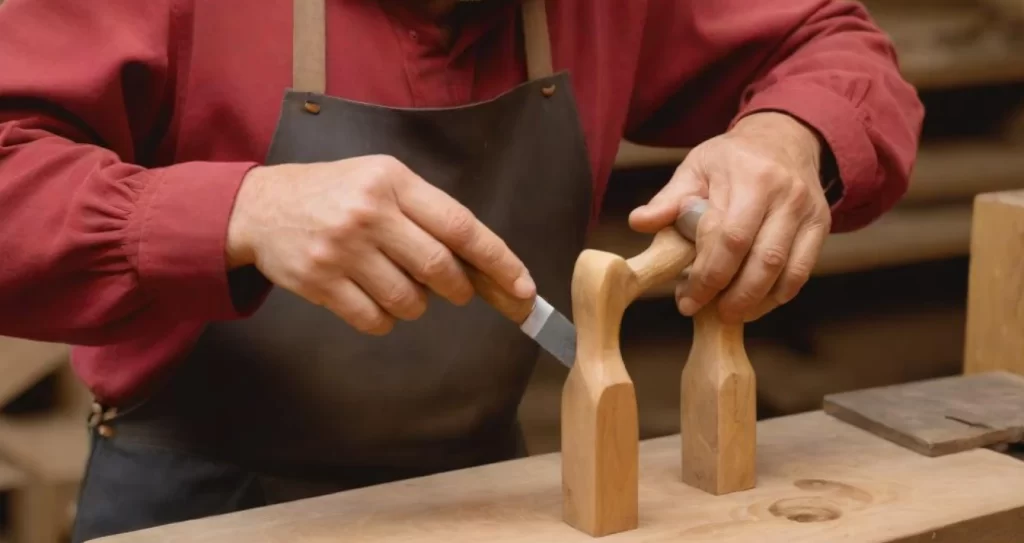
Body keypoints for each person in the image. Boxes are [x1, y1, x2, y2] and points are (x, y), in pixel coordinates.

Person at [0, 0, 922, 540]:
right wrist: (236, 210)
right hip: (203, 503)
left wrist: (789, 135)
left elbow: (829, 39)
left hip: (485, 488)